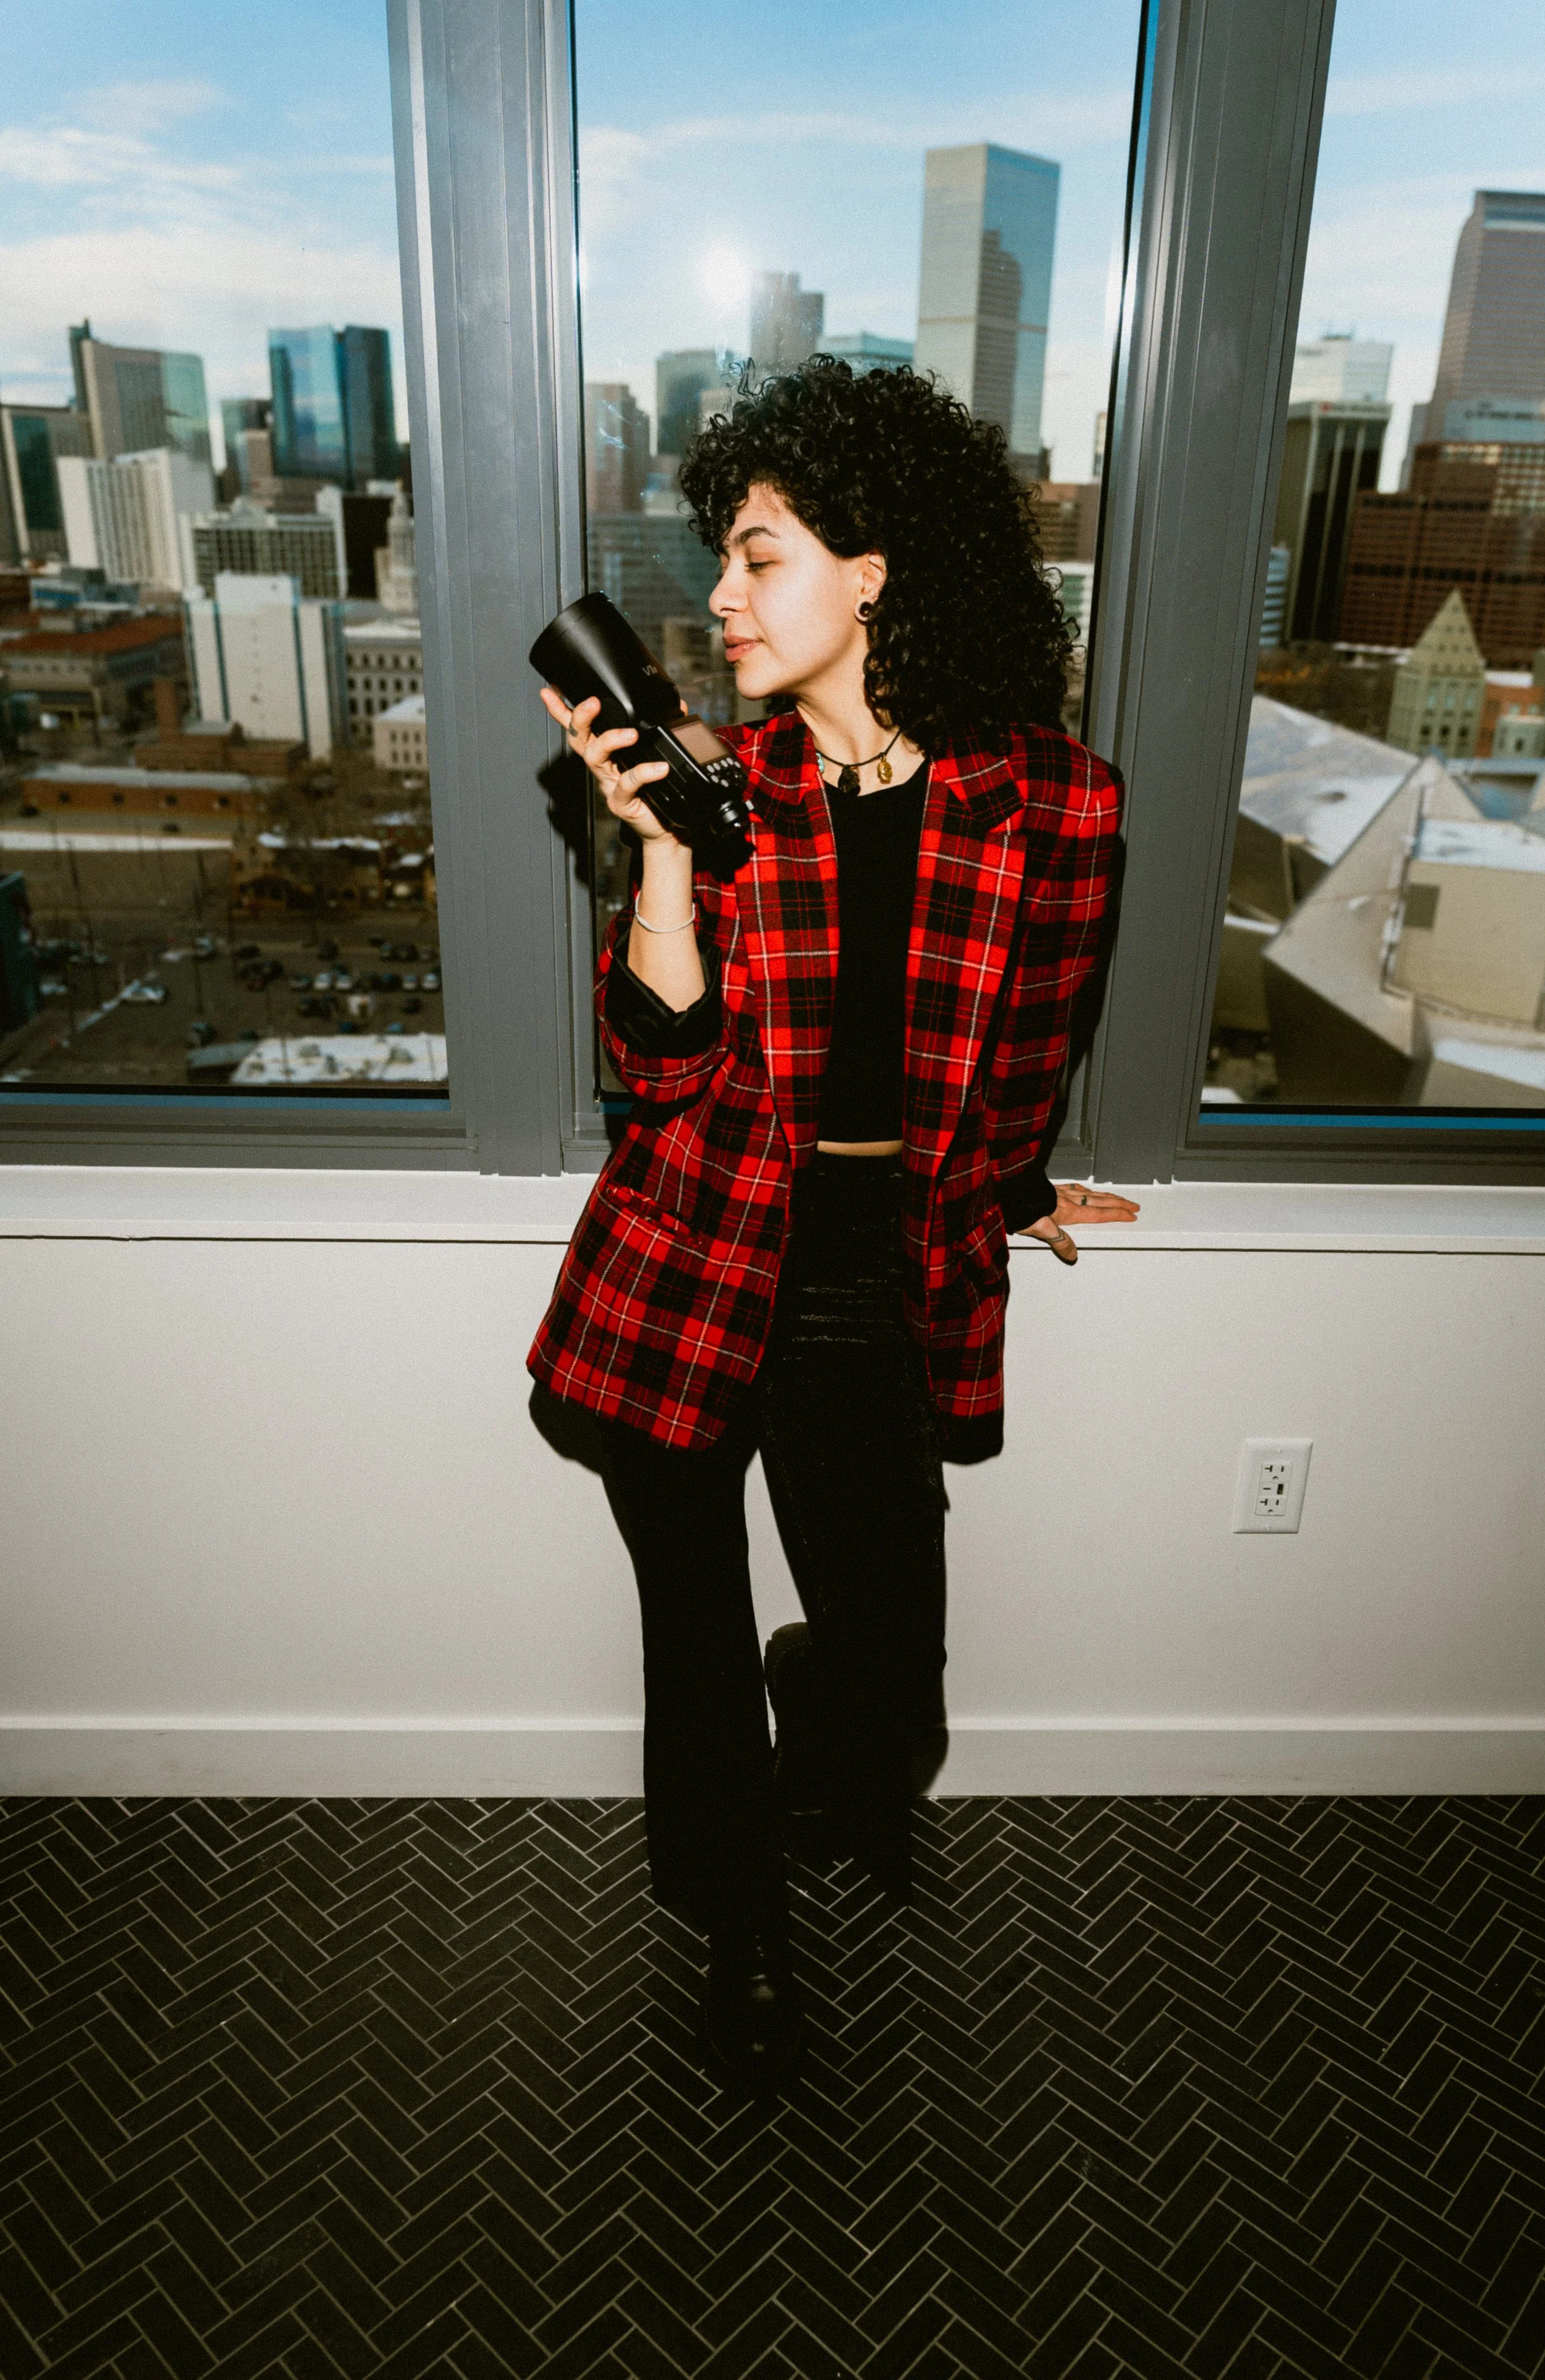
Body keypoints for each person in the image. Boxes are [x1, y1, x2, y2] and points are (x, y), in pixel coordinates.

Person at [529, 359, 1137, 2093]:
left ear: (874, 571)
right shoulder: (722, 791)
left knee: (889, 1691)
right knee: (697, 1656)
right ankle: (740, 1936)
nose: (721, 598)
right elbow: (658, 1072)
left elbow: (1029, 1052)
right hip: (690, 1271)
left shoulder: (1059, 803)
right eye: (722, 562)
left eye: (759, 556)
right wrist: (658, 846)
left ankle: (829, 1736)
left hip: (874, 1285)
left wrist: (1014, 1193)